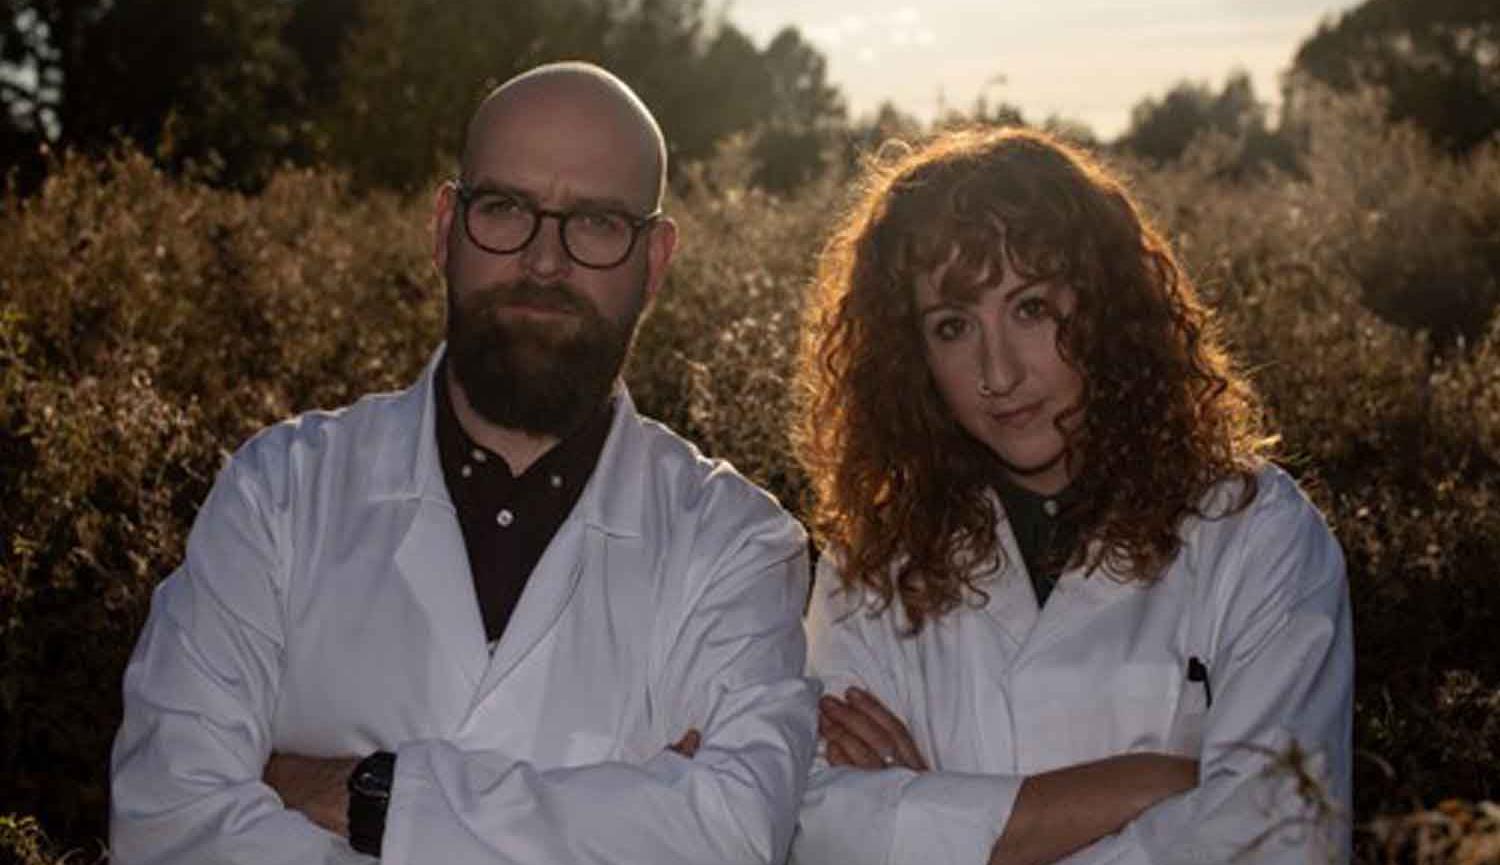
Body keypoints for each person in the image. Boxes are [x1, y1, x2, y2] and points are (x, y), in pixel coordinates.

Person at [109, 62, 817, 865]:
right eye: (506, 208)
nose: (545, 262)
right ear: (446, 226)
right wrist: (628, 814)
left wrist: (367, 798)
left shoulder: (736, 545)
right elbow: (163, 822)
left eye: (596, 223)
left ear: (654, 261)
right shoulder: (278, 493)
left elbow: (731, 832)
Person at [789, 127, 1353, 865]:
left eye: (1030, 309)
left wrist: (939, 824)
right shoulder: (874, 564)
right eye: (953, 326)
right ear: (911, 355)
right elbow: (820, 827)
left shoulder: (1257, 533)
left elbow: (1279, 837)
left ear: (1104, 305)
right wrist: (1143, 783)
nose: (998, 372)